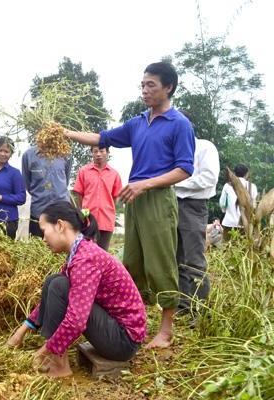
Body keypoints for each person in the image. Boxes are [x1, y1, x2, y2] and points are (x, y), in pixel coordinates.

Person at [61, 62, 195, 349]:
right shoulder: (138, 123)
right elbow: (102, 138)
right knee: (131, 263)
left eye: (151, 85)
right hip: (134, 200)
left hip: (157, 199)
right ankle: (133, 323)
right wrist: (67, 133)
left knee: (161, 263)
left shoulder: (179, 124)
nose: (145, 90)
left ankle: (166, 330)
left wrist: (145, 184)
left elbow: (185, 169)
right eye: (143, 85)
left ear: (168, 87)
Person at [7, 202, 146, 377]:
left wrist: (42, 352)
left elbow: (77, 320)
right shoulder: (79, 252)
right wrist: (21, 331)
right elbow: (55, 296)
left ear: (60, 225)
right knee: (54, 281)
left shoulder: (86, 259)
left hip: (123, 341)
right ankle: (55, 356)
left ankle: (59, 364)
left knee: (59, 286)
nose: (43, 239)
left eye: (44, 231)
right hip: (114, 330)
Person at [173, 113, 220, 313]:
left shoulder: (205, 147)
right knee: (177, 257)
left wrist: (176, 182)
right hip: (173, 204)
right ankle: (184, 306)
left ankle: (199, 309)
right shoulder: (173, 150)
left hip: (193, 205)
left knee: (194, 259)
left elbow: (209, 178)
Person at [72, 145, 122, 250]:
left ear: (108, 153)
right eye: (95, 151)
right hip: (88, 220)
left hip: (107, 220)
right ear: (92, 153)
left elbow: (115, 197)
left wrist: (109, 210)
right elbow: (79, 194)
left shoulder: (114, 174)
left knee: (103, 253)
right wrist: (83, 214)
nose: (98, 154)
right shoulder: (84, 171)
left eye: (101, 151)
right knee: (86, 252)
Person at [21, 145, 72, 238]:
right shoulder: (28, 155)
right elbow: (27, 183)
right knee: (37, 247)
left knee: (61, 247)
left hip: (61, 212)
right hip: (38, 212)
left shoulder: (66, 154)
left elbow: (66, 180)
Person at [219, 164, 258, 240]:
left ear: (234, 173)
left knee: (227, 249)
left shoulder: (227, 186)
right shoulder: (252, 186)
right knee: (244, 250)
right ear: (247, 174)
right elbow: (254, 206)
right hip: (246, 225)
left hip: (229, 223)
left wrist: (226, 211)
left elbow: (222, 204)